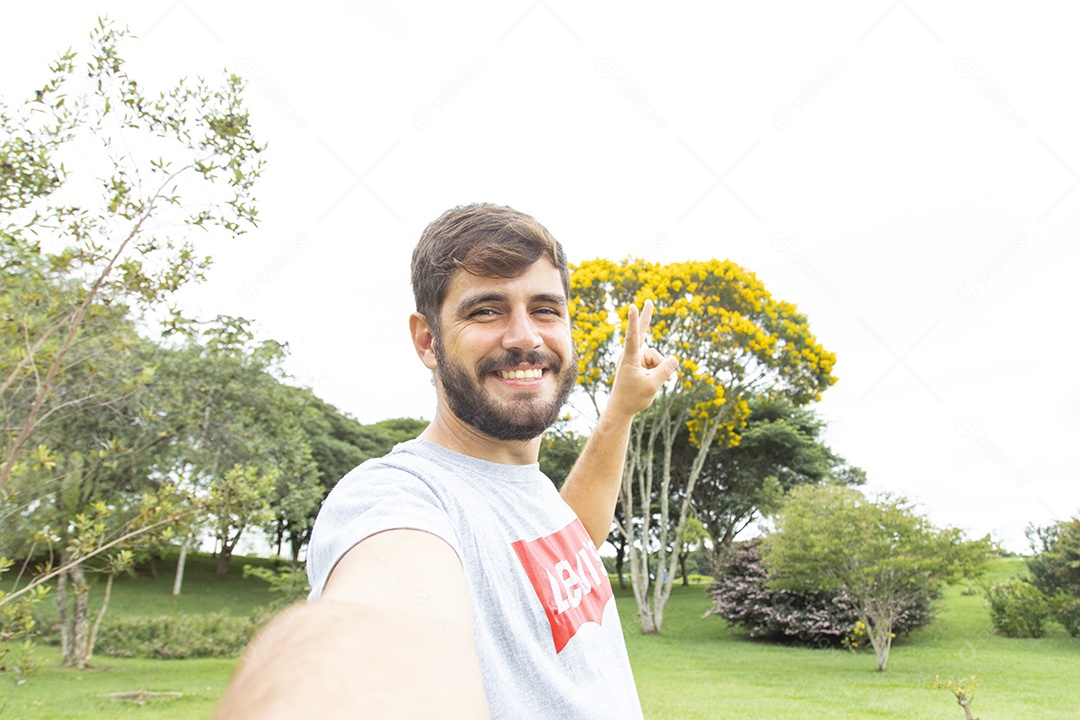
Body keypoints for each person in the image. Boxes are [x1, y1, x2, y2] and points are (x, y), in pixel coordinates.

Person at [214, 204, 677, 719]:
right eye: (486, 310)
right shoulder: (397, 498)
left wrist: (621, 408)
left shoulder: (531, 493)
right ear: (427, 340)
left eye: (545, 308)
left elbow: (575, 541)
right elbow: (378, 635)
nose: (525, 336)